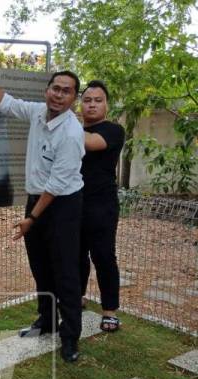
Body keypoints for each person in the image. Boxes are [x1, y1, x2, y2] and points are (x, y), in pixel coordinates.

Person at [0, 62, 85, 362]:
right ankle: (47, 321)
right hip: (37, 200)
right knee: (41, 266)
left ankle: (70, 337)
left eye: (66, 91)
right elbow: (5, 103)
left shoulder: (71, 133)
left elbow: (57, 185)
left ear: (74, 98)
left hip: (62, 205)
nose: (59, 95)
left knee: (65, 272)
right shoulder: (37, 113)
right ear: (47, 91)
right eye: (55, 88)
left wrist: (32, 219)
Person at [80, 80, 125, 331]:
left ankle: (109, 311)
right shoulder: (75, 129)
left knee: (104, 257)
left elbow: (91, 143)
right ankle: (77, 298)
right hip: (74, 204)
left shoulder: (113, 131)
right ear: (81, 105)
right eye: (87, 100)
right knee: (77, 256)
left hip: (102, 206)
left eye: (98, 100)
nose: (92, 105)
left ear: (106, 104)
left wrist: (61, 123)